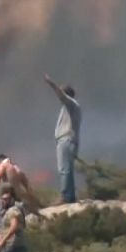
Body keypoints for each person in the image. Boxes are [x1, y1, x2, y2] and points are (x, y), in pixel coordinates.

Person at [45, 74, 81, 204]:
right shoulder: (72, 107)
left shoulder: (70, 104)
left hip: (65, 140)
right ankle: (70, 196)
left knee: (64, 168)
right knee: (68, 169)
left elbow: (60, 95)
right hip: (69, 140)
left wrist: (51, 83)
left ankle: (65, 196)